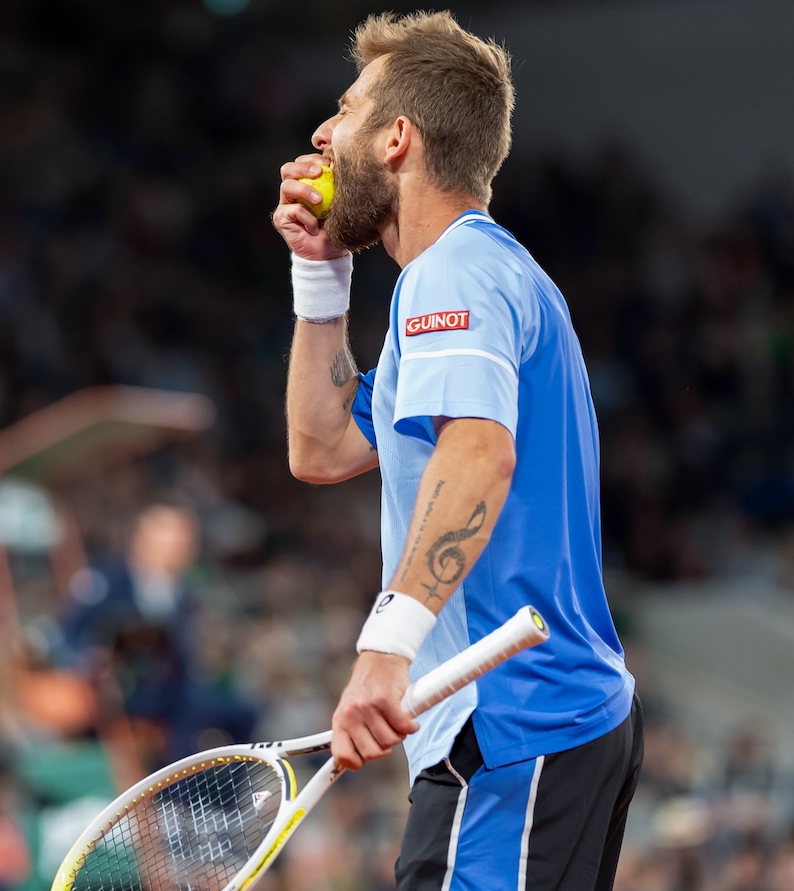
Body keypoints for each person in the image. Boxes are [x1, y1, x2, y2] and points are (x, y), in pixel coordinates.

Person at [271, 12, 642, 891]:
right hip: (542, 722)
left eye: (348, 109)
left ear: (397, 139)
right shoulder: (461, 281)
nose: (323, 134)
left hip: (512, 723)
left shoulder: (453, 276)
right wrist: (320, 271)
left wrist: (385, 646)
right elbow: (320, 448)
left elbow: (477, 454)